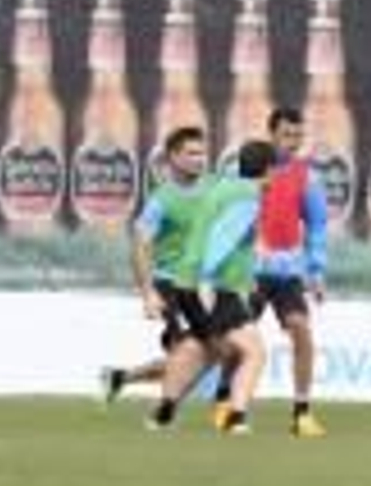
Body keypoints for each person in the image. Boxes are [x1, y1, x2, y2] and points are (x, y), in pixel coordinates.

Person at [215, 107, 330, 439]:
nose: (293, 142)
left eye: (298, 135)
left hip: (288, 272)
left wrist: (317, 270)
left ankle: (302, 413)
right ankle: (225, 400)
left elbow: (318, 226)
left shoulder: (307, 177)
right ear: (271, 133)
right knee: (236, 342)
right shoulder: (241, 172)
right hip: (248, 271)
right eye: (286, 135)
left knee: (301, 329)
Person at [148, 140, 276, 435]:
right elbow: (221, 240)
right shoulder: (247, 196)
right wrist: (206, 283)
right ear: (269, 170)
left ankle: (164, 412)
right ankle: (236, 417)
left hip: (187, 280)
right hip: (214, 285)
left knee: (206, 351)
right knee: (254, 352)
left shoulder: (224, 186)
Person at [103, 126, 212, 403]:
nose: (199, 158)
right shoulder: (161, 201)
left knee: (200, 355)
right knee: (189, 354)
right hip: (171, 284)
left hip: (203, 285)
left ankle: (121, 378)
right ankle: (163, 413)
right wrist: (148, 293)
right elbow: (140, 245)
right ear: (174, 157)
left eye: (202, 152)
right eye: (191, 153)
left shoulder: (213, 190)